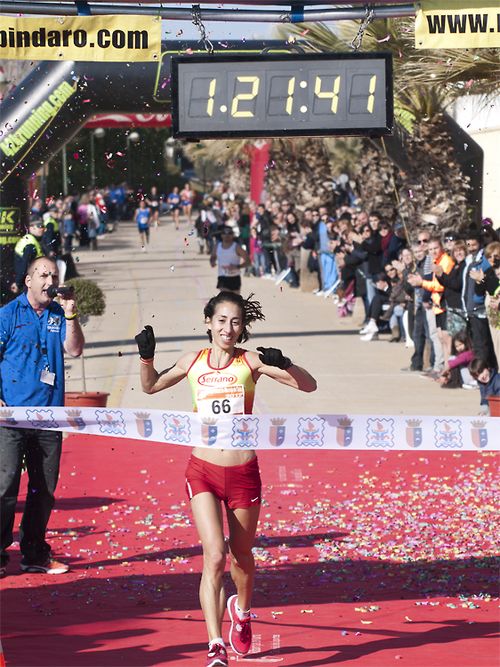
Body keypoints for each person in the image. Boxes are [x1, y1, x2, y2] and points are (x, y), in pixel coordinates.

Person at [135, 292, 317, 667]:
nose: (228, 329)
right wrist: (146, 357)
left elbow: (308, 386)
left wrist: (286, 363)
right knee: (214, 555)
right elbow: (150, 386)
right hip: (201, 470)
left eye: (235, 322)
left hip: (243, 473)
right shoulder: (192, 361)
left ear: (242, 327)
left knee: (241, 555)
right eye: (221, 321)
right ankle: (215, 645)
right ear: (208, 322)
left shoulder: (250, 362)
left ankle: (244, 611)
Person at [0, 257, 85, 577]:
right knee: (4, 487)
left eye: (54, 275)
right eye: (43, 274)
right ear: (28, 281)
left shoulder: (58, 314)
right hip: (10, 417)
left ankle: (34, 552)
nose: (50, 280)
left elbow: (75, 350)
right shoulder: (7, 314)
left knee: (43, 489)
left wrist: (72, 314)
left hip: (49, 417)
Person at [210, 226, 250, 294]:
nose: (227, 235)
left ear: (232, 235)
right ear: (221, 235)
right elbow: (213, 257)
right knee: (226, 299)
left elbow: (248, 262)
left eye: (229, 233)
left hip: (234, 278)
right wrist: (212, 261)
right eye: (224, 233)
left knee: (235, 301)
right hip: (222, 277)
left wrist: (237, 267)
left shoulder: (237, 247)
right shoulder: (217, 246)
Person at [11, 215, 45, 294]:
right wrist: (18, 283)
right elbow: (24, 264)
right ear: (31, 228)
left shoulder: (31, 240)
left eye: (43, 226)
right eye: (39, 226)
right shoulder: (30, 244)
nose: (42, 228)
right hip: (26, 283)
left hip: (28, 281)